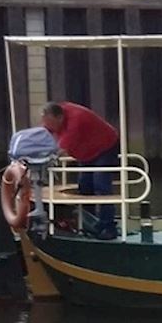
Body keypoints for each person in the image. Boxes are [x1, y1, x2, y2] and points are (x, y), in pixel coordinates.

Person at [39, 101, 120, 239]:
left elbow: (61, 149)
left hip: (105, 147)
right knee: (84, 186)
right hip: (86, 152)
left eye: (52, 125)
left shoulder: (76, 120)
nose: (51, 128)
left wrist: (42, 160)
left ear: (60, 118)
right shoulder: (54, 118)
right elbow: (44, 136)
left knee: (101, 184)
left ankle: (108, 226)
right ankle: (90, 223)